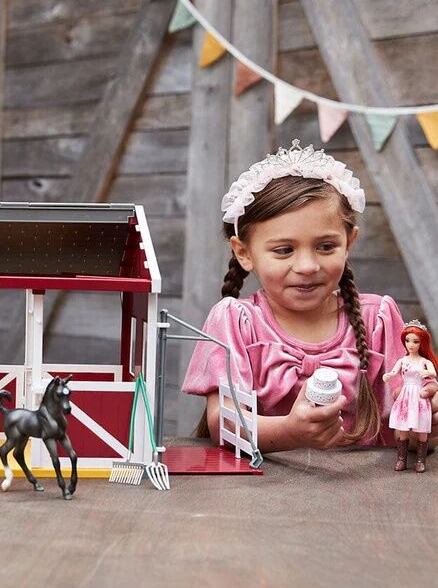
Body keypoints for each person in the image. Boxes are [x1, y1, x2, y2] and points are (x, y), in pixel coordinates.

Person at [182, 140, 438, 453]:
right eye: (284, 250)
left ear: (349, 243)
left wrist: (425, 419)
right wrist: (290, 432)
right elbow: (223, 421)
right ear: (244, 253)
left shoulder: (378, 320)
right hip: (260, 500)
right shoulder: (236, 321)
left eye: (326, 246)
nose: (307, 266)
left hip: (369, 497)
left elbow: (405, 422)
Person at [383, 321, 438, 472]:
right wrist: (389, 375)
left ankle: (420, 461)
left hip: (419, 396)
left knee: (422, 430)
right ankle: (402, 459)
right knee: (403, 428)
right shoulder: (403, 360)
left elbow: (433, 372)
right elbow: (395, 372)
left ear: (422, 343)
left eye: (415, 341)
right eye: (408, 340)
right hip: (405, 395)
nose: (411, 345)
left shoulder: (424, 361)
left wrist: (428, 373)